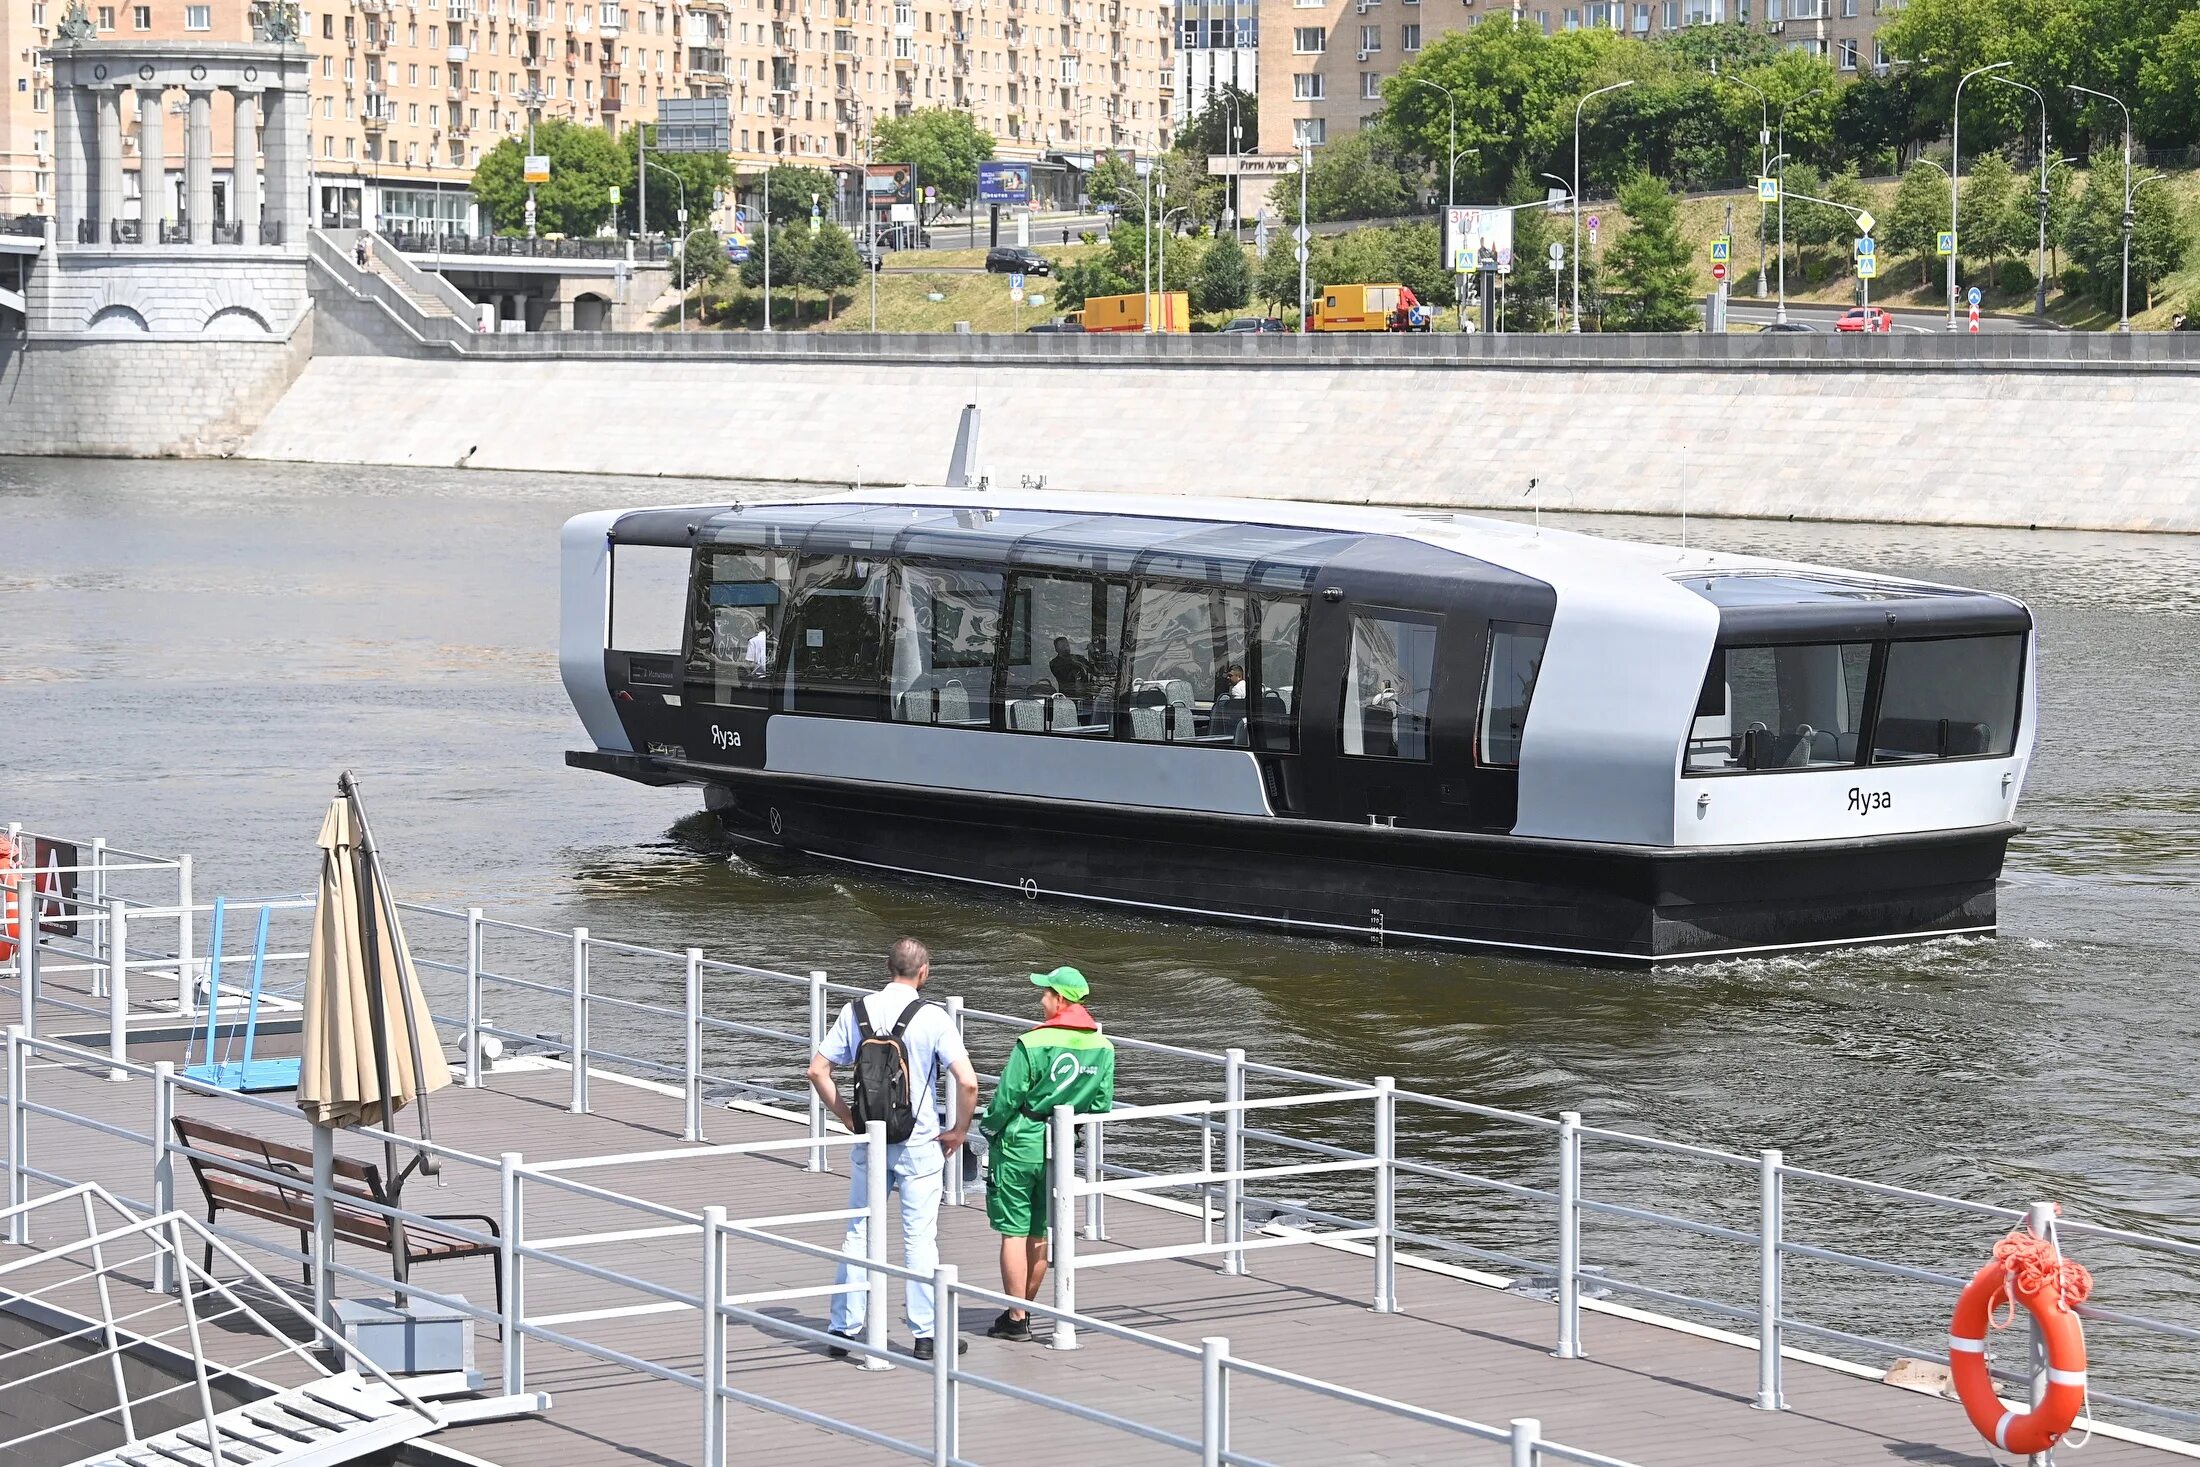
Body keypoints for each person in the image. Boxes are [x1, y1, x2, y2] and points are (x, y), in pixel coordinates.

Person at [806, 938, 978, 1362]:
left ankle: (843, 1329)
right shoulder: (933, 1017)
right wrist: (957, 1131)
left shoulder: (857, 1010)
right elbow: (968, 1082)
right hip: (919, 1143)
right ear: (925, 972)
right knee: (919, 1239)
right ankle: (926, 1335)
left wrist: (848, 1117)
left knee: (859, 1232)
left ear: (887, 967)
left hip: (872, 1138)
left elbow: (817, 1069)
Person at [978, 966, 1115, 1342]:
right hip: (1061, 1146)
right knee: (1040, 1232)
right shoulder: (1103, 1047)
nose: (1041, 1000)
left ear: (1060, 1000)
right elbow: (1101, 1103)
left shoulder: (1031, 1043)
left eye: (1046, 993)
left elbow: (1006, 1098)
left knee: (1012, 1232)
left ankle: (1017, 1315)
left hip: (1020, 1141)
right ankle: (1020, 1312)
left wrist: (987, 1128)